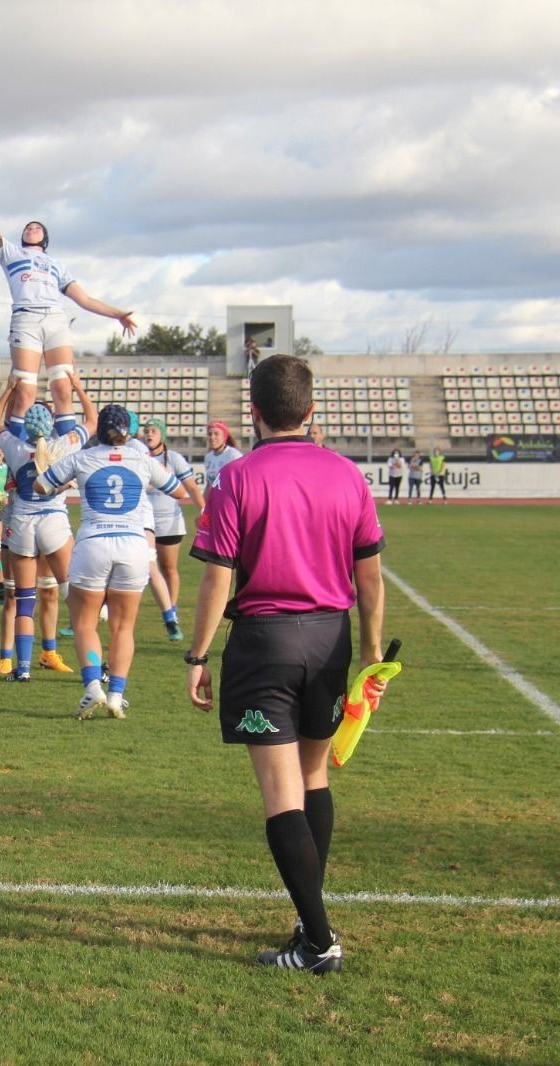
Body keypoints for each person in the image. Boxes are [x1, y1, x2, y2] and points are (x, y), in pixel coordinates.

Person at [185, 354, 387, 974]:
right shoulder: (347, 475)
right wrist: (374, 649)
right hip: (331, 638)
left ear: (254, 411)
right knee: (315, 777)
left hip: (264, 640)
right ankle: (309, 919)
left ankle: (319, 941)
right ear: (310, 410)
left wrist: (197, 655)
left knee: (281, 792)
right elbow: (370, 576)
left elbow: (218, 581)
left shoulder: (236, 478)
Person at [0, 156, 136, 434]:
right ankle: (18, 457)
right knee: (24, 392)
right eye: (28, 226)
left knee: (63, 387)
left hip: (55, 319)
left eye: (37, 226)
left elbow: (84, 299)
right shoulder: (11, 253)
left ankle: (66, 451)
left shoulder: (56, 264)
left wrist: (118, 313)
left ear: (45, 238)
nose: (31, 227)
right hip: (26, 319)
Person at [38, 404, 188, 719]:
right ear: (127, 432)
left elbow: (41, 485)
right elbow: (176, 490)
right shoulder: (143, 459)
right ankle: (117, 695)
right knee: (123, 628)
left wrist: (69, 481)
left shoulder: (82, 457)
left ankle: (93, 688)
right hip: (133, 545)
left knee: (84, 623)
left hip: (94, 543)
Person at [0, 373, 94, 681]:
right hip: (53, 520)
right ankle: (94, 668)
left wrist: (9, 388)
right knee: (74, 595)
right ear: (49, 424)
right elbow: (92, 420)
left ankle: (22, 669)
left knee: (24, 599)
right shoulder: (65, 445)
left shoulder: (16, 448)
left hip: (21, 522)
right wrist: (75, 385)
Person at [139, 416, 206, 640]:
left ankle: (172, 610)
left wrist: (204, 511)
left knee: (168, 568)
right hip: (143, 522)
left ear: (162, 435)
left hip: (169, 522)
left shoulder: (174, 458)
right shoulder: (138, 456)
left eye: (154, 431)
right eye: (147, 430)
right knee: (141, 568)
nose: (149, 434)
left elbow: (191, 488)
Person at [202, 421, 243, 507]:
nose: (212, 437)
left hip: (231, 504)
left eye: (216, 434)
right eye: (210, 434)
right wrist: (204, 508)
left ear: (224, 437)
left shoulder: (233, 455)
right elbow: (209, 484)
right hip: (216, 504)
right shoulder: (208, 457)